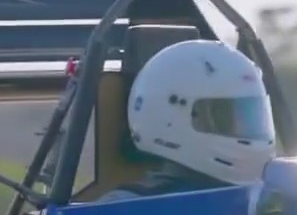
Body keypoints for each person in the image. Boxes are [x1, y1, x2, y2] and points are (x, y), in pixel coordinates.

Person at [97, 38, 277, 203]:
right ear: (169, 118)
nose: (244, 127)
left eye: (251, 116)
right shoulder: (122, 212)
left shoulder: (273, 200)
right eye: (225, 116)